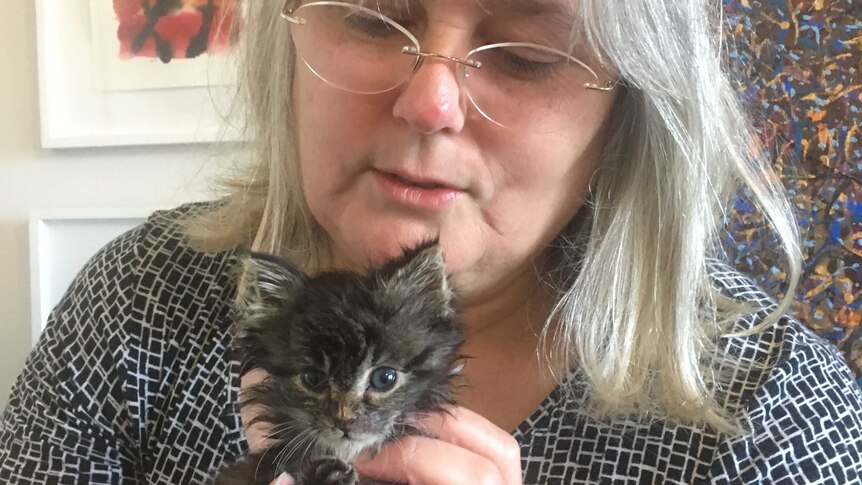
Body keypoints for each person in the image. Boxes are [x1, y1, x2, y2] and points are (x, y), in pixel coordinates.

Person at [2, 0, 861, 483]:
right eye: (374, 17)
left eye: (526, 54)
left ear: (631, 110)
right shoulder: (139, 303)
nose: (430, 103)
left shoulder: (776, 418)